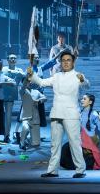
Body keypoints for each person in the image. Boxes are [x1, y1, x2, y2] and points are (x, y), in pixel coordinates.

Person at [29, 50, 90, 178]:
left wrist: (83, 79)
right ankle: (52, 170)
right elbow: (41, 82)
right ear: (60, 63)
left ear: (73, 62)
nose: (66, 63)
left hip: (71, 114)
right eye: (63, 60)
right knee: (55, 145)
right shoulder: (56, 76)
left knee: (75, 143)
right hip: (56, 113)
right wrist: (32, 74)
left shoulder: (77, 75)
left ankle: (80, 170)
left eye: (68, 60)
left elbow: (86, 86)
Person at [2, 54, 26, 144]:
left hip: (10, 96)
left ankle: (6, 135)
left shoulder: (20, 71)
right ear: (7, 60)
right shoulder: (3, 69)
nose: (13, 59)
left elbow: (26, 81)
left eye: (15, 58)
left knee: (8, 117)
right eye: (11, 58)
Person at [17, 76, 45, 150]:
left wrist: (39, 101)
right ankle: (22, 142)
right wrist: (27, 77)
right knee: (25, 128)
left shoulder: (36, 92)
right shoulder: (22, 91)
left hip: (35, 117)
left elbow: (44, 98)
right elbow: (23, 86)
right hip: (25, 117)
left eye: (29, 81)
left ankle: (26, 138)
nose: (28, 83)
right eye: (27, 81)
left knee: (36, 143)